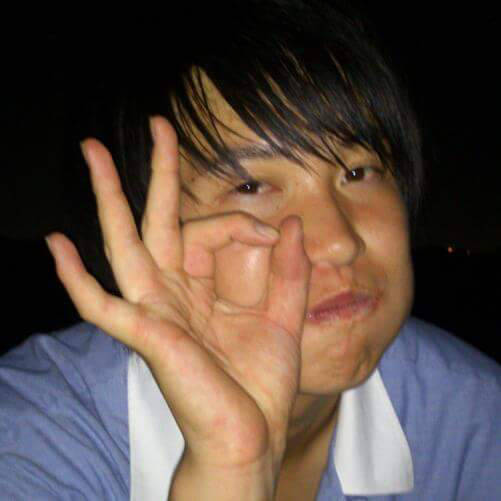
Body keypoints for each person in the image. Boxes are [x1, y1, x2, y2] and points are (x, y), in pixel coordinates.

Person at [1, 1, 500, 499]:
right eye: (251, 187)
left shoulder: (475, 418)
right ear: (140, 236)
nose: (339, 242)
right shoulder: (33, 435)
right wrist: (231, 468)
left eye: (358, 172)